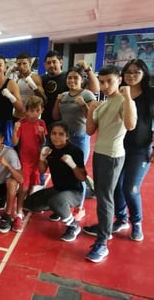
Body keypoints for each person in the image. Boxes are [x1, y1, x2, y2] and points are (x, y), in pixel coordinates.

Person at [83, 65, 137, 263]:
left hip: (112, 156)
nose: (105, 86)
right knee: (103, 196)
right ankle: (104, 231)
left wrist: (128, 95)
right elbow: (90, 131)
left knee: (105, 198)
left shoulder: (124, 101)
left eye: (109, 81)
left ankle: (103, 242)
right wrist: (90, 110)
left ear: (119, 80)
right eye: (102, 81)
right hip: (100, 154)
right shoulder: (104, 104)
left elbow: (130, 125)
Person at [112, 59, 154, 241]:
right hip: (118, 147)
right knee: (116, 186)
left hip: (140, 150)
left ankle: (136, 223)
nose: (131, 75)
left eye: (136, 72)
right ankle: (121, 218)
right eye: (128, 72)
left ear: (144, 74)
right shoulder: (118, 92)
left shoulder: (152, 94)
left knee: (130, 188)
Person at [24, 121, 86, 242]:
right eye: (54, 133)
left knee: (56, 202)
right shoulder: (50, 149)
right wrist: (41, 158)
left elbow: (82, 178)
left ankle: (73, 226)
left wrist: (73, 165)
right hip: (57, 189)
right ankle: (59, 209)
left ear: (67, 136)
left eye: (61, 134)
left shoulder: (75, 151)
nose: (56, 137)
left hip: (74, 192)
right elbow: (42, 170)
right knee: (28, 204)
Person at [52, 66, 96, 221]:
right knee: (63, 171)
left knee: (79, 173)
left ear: (82, 79)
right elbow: (56, 115)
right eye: (69, 77)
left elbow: (92, 118)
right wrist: (57, 102)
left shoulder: (87, 94)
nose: (72, 80)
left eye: (75, 77)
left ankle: (80, 207)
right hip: (64, 140)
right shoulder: (63, 95)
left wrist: (83, 104)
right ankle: (63, 206)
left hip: (80, 138)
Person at [11, 96, 47, 232]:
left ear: (41, 110)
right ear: (26, 111)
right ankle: (18, 214)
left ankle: (27, 203)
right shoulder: (21, 122)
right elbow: (14, 143)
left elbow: (42, 143)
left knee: (32, 184)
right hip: (25, 160)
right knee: (23, 188)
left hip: (36, 159)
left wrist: (42, 135)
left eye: (37, 111)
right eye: (31, 111)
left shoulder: (41, 123)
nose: (34, 114)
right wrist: (15, 130)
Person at [0, 54, 23, 146]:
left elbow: (20, 107)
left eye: (0, 65)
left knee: (5, 152)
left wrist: (10, 96)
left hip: (6, 123)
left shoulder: (11, 83)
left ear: (5, 68)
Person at [40, 50, 69, 132]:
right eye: (48, 63)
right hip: (45, 121)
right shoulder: (42, 79)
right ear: (45, 65)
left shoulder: (68, 77)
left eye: (54, 62)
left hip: (64, 121)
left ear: (60, 62)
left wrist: (88, 70)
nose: (51, 65)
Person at [12, 52, 46, 116]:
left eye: (24, 63)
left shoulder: (35, 77)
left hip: (31, 116)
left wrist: (34, 88)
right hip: (18, 115)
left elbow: (43, 99)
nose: (21, 66)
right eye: (19, 64)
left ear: (30, 64)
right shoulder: (18, 79)